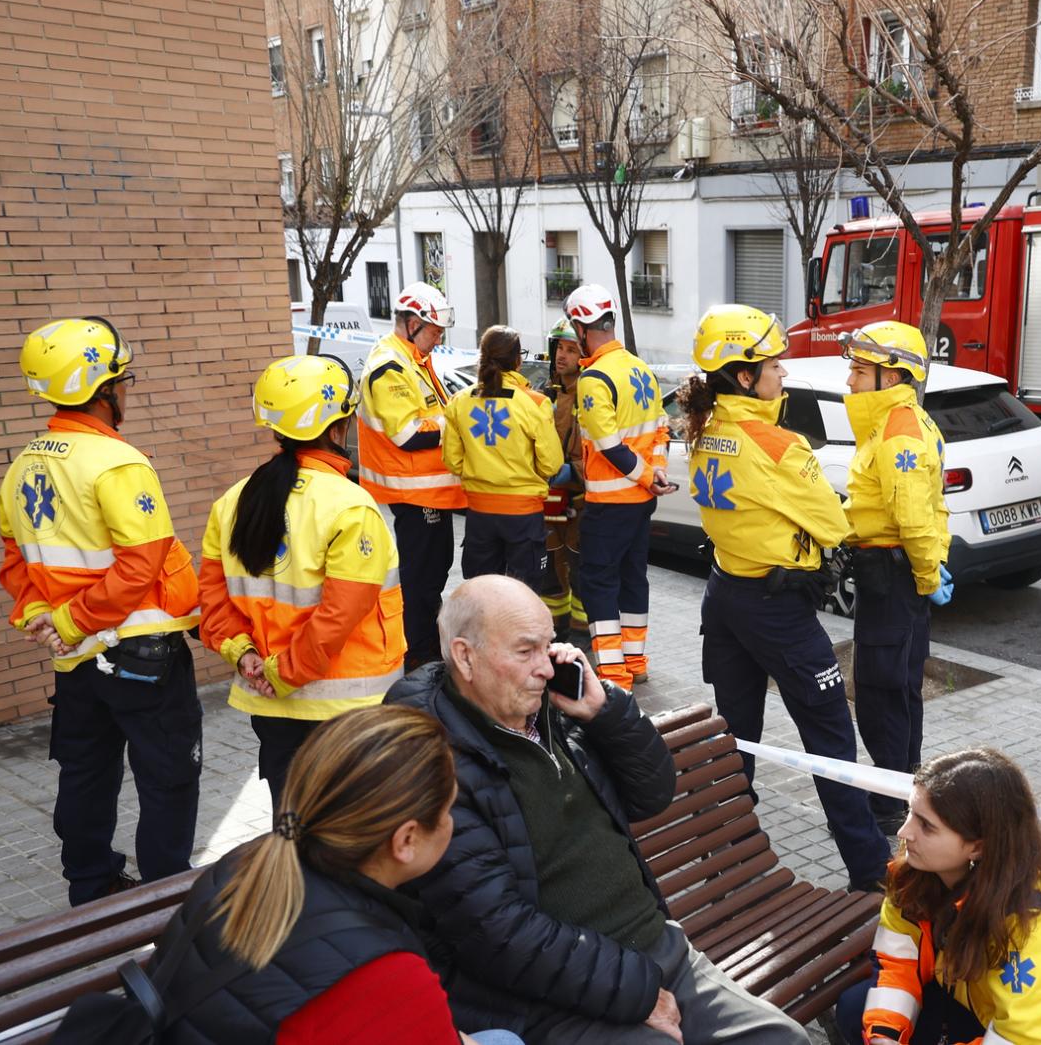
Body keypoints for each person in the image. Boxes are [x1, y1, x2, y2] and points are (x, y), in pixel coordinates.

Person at [385, 575, 808, 1045]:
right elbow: (498, 932)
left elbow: (653, 793)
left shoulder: (558, 710)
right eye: (525, 652)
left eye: (549, 647)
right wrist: (638, 992)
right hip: (550, 996)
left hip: (656, 948)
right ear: (465, 656)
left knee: (784, 1039)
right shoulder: (432, 762)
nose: (545, 667)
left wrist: (607, 712)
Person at [146, 705, 523, 1045]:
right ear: (406, 839)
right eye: (447, 810)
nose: (452, 823)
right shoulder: (383, 973)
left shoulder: (247, 862)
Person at [676, 303, 892, 892]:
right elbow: (833, 522)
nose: (784, 374)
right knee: (830, 739)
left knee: (734, 741)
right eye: (775, 366)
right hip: (778, 611)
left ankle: (727, 864)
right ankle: (872, 872)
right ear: (745, 376)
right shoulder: (778, 445)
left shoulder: (706, 426)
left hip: (725, 598)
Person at [0, 315, 203, 905]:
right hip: (141, 657)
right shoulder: (117, 464)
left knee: (86, 774)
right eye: (123, 380)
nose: (126, 391)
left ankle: (91, 889)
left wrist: (45, 615)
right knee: (168, 779)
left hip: (76, 662)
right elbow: (141, 566)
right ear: (101, 388)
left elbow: (18, 562)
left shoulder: (23, 466)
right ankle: (165, 900)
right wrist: (68, 621)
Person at [199, 355, 405, 808]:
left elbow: (212, 601)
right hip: (345, 710)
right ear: (337, 428)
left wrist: (245, 654)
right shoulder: (351, 507)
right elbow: (340, 615)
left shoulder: (233, 501)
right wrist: (283, 673)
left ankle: (289, 882)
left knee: (290, 818)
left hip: (271, 704)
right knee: (351, 828)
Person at [836, 749, 1041, 1045]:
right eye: (910, 812)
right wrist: (885, 1035)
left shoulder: (1035, 929)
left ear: (979, 847)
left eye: (926, 826)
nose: (904, 832)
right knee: (857, 1010)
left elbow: (1025, 1037)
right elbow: (898, 960)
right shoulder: (915, 875)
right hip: (991, 1010)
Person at [838, 321, 953, 830]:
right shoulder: (902, 422)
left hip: (890, 573)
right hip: (893, 572)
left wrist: (927, 575)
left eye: (859, 372)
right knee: (900, 688)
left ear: (891, 377)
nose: (850, 383)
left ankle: (888, 806)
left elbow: (913, 516)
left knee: (882, 692)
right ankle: (907, 789)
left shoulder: (898, 430)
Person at [565, 284, 674, 688]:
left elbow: (609, 445)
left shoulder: (593, 378)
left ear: (581, 328)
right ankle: (636, 661)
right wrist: (656, 474)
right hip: (642, 501)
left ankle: (612, 673)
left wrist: (645, 475)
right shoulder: (639, 367)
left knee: (599, 582)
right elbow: (660, 429)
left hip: (610, 503)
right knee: (633, 579)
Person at [358, 281, 463, 671]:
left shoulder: (413, 360)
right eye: (434, 331)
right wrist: (460, 425)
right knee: (420, 578)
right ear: (412, 323)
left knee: (432, 572)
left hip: (429, 493)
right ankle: (417, 652)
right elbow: (407, 435)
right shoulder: (390, 366)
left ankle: (422, 644)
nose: (438, 339)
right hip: (413, 492)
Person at [442, 327, 563, 592]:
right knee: (522, 595)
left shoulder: (459, 401)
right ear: (518, 360)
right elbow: (551, 464)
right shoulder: (534, 403)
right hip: (522, 515)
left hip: (479, 514)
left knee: (482, 593)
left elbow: (452, 461)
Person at [538, 319, 588, 640]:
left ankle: (584, 631)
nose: (562, 356)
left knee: (580, 564)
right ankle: (558, 627)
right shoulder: (548, 396)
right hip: (552, 495)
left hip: (581, 497)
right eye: (559, 348)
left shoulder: (588, 395)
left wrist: (572, 471)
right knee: (553, 562)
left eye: (571, 350)